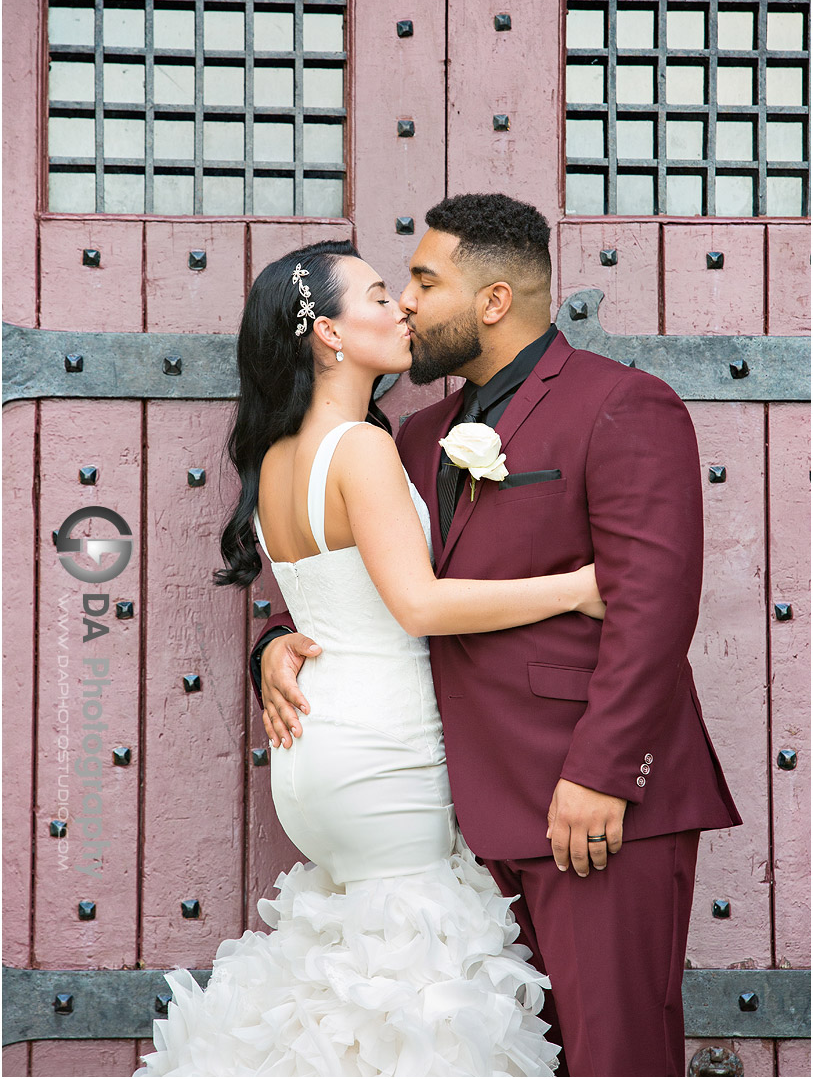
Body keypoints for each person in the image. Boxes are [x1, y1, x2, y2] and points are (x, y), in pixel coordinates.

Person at [254, 194, 743, 1078]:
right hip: (457, 819)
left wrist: (602, 773)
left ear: (491, 301)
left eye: (423, 280)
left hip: (590, 807)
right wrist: (276, 642)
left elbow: (653, 608)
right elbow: (366, 576)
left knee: (611, 1057)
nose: (404, 301)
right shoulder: (412, 435)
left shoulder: (623, 405)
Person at [134, 235, 613, 1077]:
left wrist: (272, 644)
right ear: (327, 333)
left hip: (317, 752)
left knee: (356, 978)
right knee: (417, 993)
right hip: (383, 750)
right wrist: (573, 588)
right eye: (380, 293)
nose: (402, 308)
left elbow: (331, 599)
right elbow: (419, 605)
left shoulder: (276, 455)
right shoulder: (357, 447)